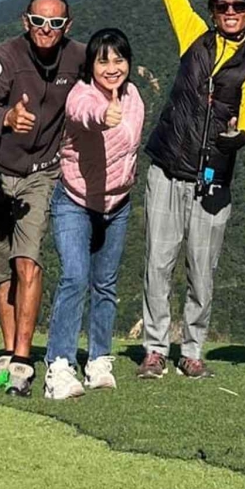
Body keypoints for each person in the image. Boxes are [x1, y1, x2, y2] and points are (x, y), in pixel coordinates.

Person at [138, 0, 245, 381]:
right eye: (223, 4)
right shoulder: (191, 33)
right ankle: (154, 348)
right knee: (157, 262)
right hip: (168, 167)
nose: (231, 11)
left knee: (202, 268)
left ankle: (192, 350)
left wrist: (242, 136)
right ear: (213, 9)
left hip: (214, 178)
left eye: (239, 5)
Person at [0, 0, 86, 397]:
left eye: (55, 23)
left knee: (28, 262)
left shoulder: (78, 57)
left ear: (67, 27)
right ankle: (7, 352)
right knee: (1, 269)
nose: (46, 30)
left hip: (40, 173)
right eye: (39, 21)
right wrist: (6, 118)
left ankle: (21, 360)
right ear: (25, 21)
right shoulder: (8, 56)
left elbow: (110, 71)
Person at [42, 28, 145, 400]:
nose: (112, 67)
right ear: (90, 66)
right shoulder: (81, 95)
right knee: (74, 278)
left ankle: (99, 358)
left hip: (117, 205)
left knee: (106, 285)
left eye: (119, 59)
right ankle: (59, 365)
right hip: (75, 200)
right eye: (103, 61)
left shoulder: (134, 96)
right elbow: (81, 113)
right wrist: (104, 114)